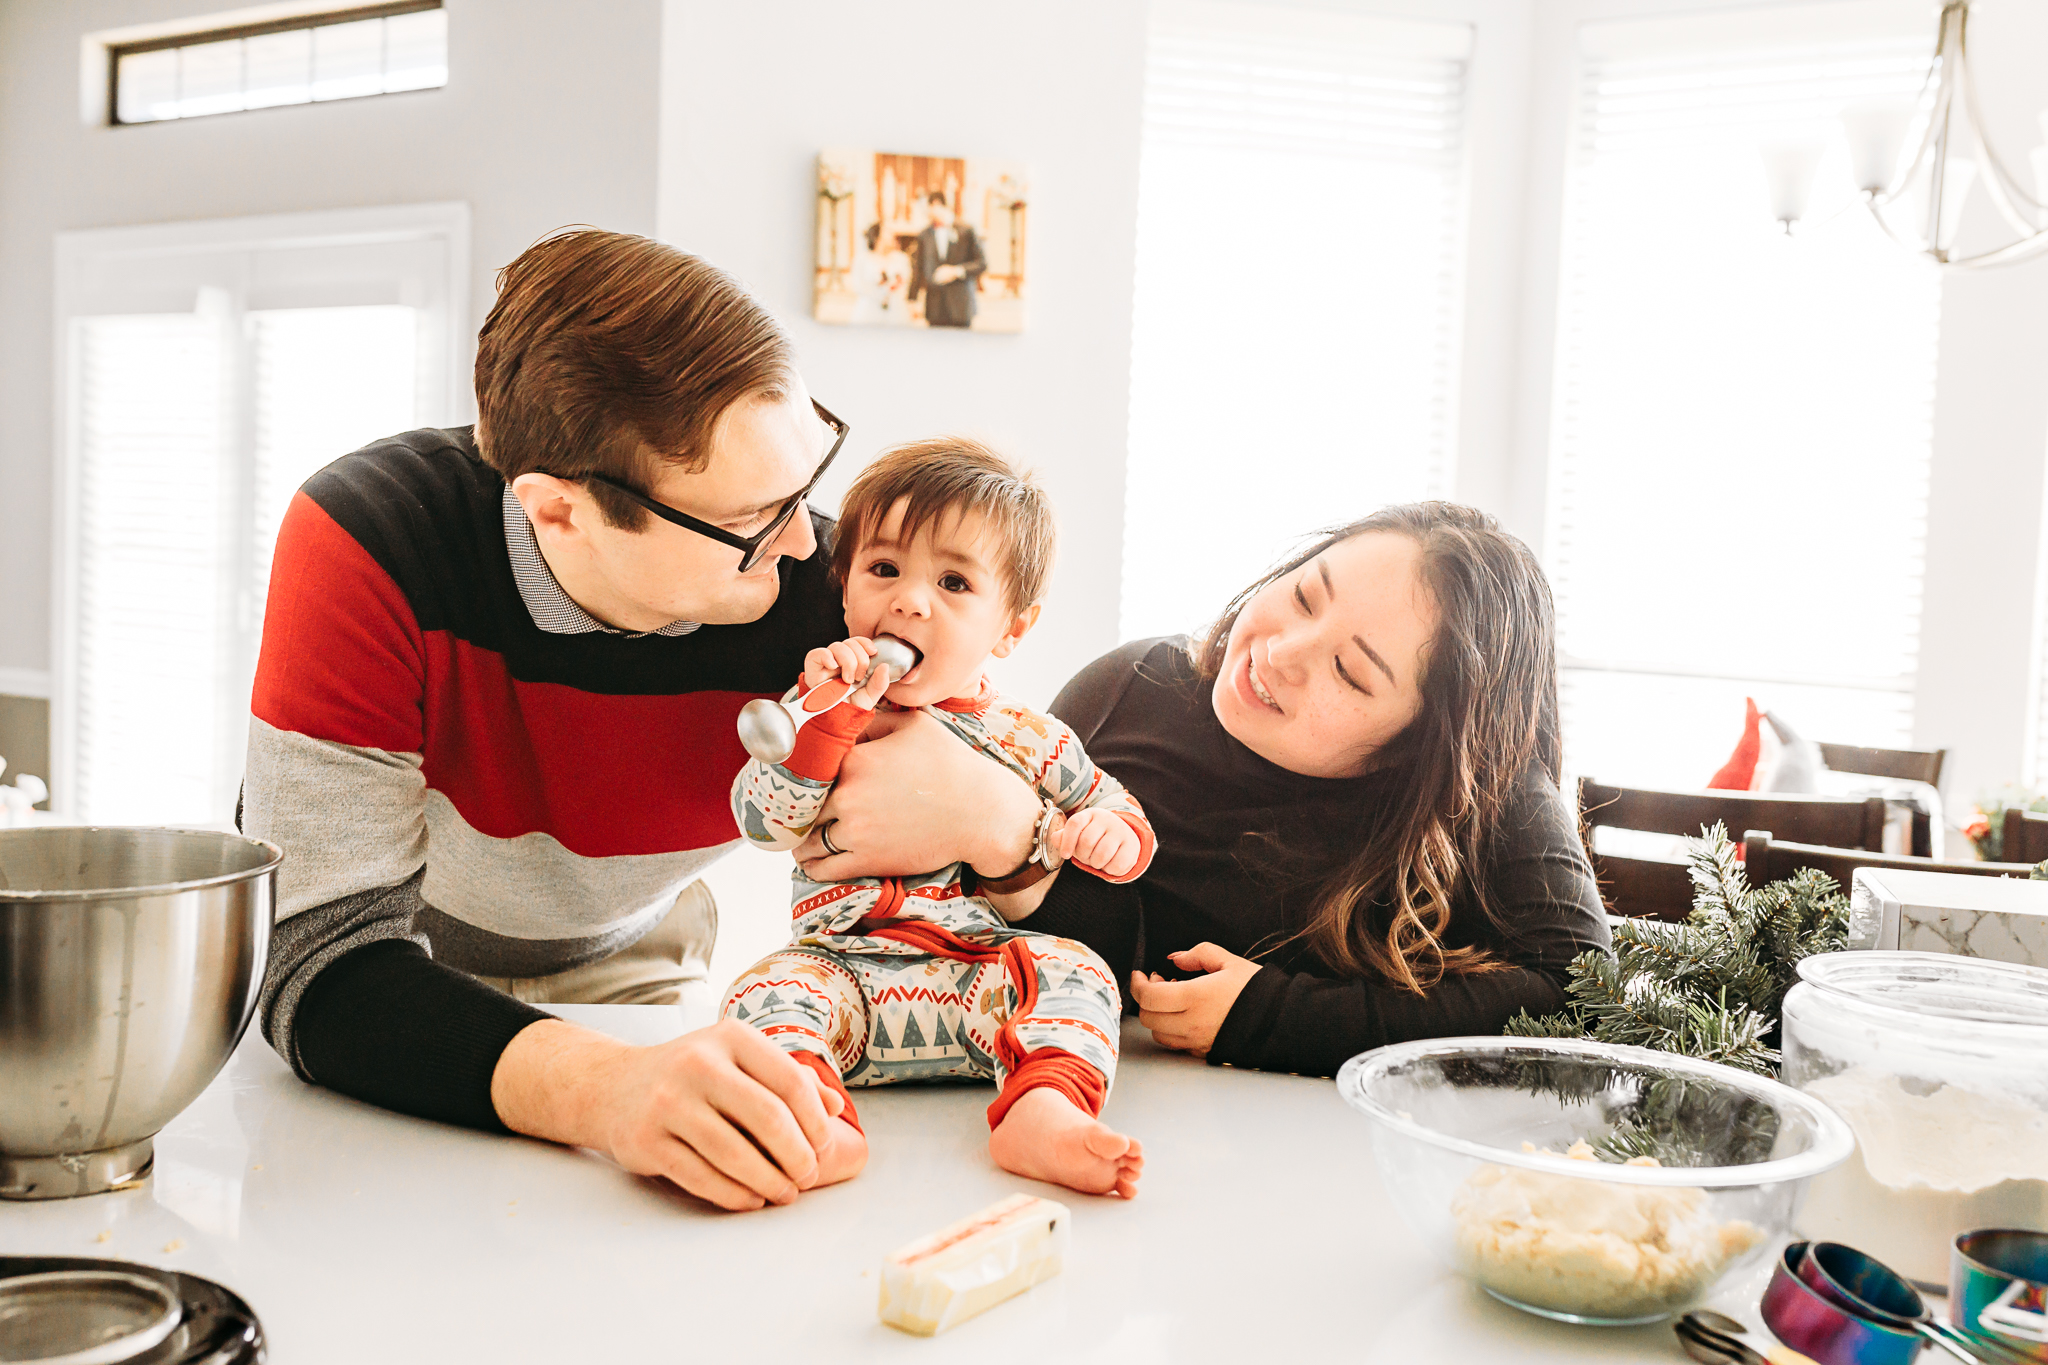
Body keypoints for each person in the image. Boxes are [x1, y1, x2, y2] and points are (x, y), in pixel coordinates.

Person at [245, 229, 1056, 1213]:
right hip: (384, 985)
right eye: (757, 516)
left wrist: (1004, 828)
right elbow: (317, 960)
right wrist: (604, 1090)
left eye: (807, 480)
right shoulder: (370, 538)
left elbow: (1081, 918)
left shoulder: (832, 598)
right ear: (558, 513)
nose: (808, 542)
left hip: (636, 971)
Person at [1025, 502, 1610, 1078]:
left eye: (1350, 672)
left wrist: (1274, 1016)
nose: (1281, 653)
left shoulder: (1485, 792)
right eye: (1305, 596)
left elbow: (1582, 995)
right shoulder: (1128, 686)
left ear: (1417, 745)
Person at [723, 440, 1150, 1199]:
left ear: (1011, 628)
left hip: (981, 980)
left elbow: (1107, 803)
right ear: (846, 591)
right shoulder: (820, 710)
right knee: (762, 992)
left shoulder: (1031, 736)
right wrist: (824, 725)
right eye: (884, 569)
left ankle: (1043, 1107)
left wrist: (1111, 836)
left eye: (954, 582)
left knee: (1077, 974)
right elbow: (761, 820)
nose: (911, 601)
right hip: (846, 974)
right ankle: (812, 1116)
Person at [909, 192, 986, 329]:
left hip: (960, 303)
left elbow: (982, 263)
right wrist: (912, 299)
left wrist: (956, 271)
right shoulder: (924, 235)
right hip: (935, 306)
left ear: (936, 204)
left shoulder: (965, 230)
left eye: (926, 207)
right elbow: (918, 268)